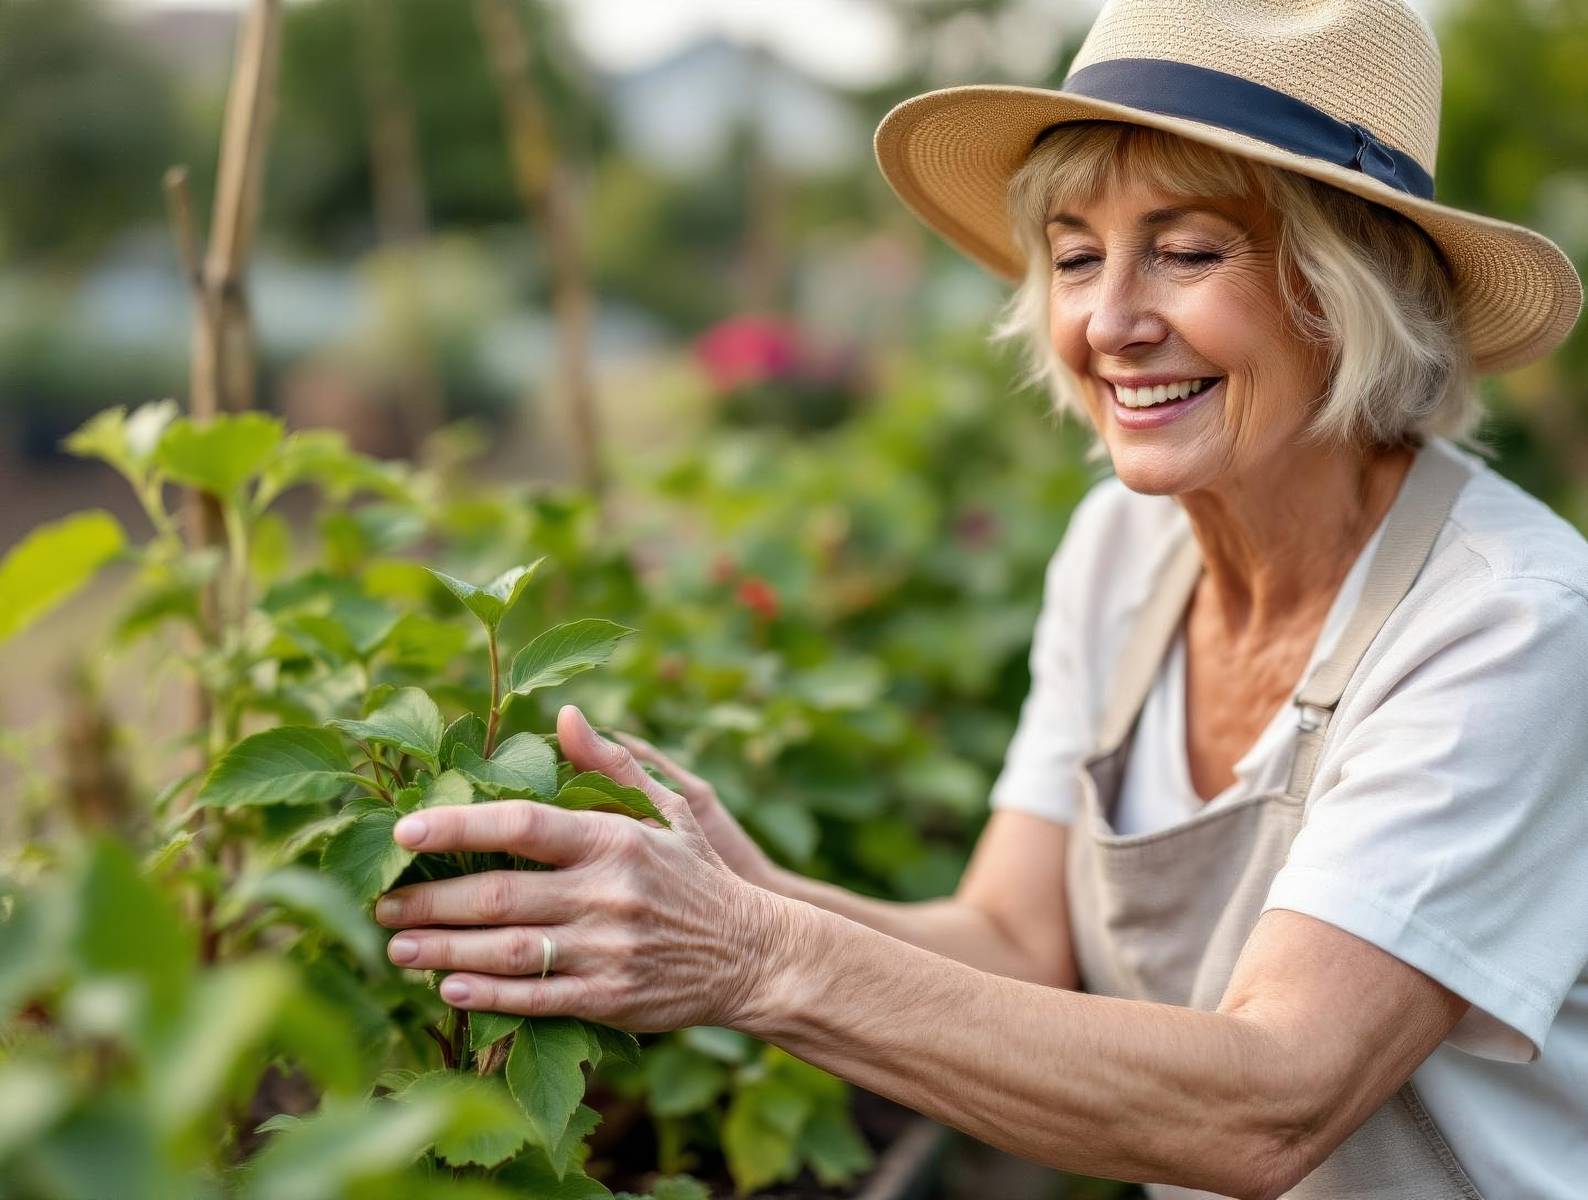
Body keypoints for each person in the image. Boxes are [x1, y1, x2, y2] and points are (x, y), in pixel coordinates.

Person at [373, 1, 1588, 1195]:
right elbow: (1014, 944)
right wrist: (747, 893)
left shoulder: (1510, 622)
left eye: (1187, 250)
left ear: (1349, 287)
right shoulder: (1122, 552)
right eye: (1073, 257)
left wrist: (750, 953)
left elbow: (1271, 1101)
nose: (1109, 321)